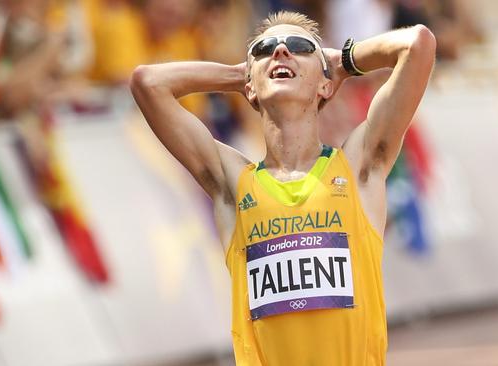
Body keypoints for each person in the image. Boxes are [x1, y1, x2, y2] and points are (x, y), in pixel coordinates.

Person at [130, 10, 435, 365]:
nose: (280, 52)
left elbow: (418, 44)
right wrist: (240, 74)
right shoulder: (233, 183)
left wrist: (345, 61)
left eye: (298, 46)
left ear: (325, 83)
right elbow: (148, 83)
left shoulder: (357, 168)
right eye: (263, 50)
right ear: (250, 86)